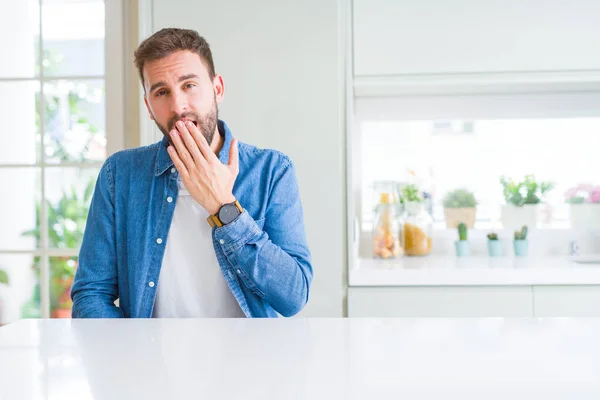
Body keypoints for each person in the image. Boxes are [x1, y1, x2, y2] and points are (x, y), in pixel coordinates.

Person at [71, 28, 313, 318]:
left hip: (250, 361)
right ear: (149, 107)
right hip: (151, 362)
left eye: (189, 85)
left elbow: (294, 296)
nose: (178, 106)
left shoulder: (272, 171)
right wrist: (132, 355)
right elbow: (91, 294)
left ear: (217, 89)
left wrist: (224, 207)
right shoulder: (119, 175)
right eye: (162, 92)